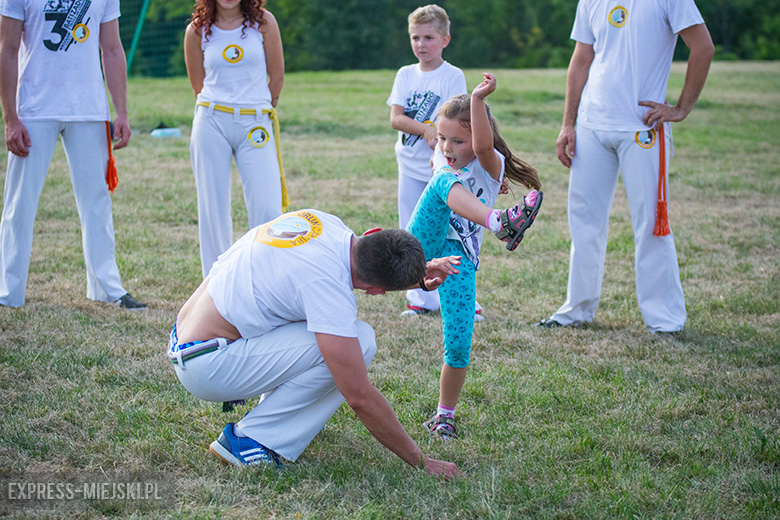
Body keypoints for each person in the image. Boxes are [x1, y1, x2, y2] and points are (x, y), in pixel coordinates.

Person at [168, 209, 464, 478]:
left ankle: (274, 417)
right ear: (375, 292)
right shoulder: (328, 289)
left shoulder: (324, 222)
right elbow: (359, 395)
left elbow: (311, 278)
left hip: (189, 335)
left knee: (328, 331)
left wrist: (417, 278)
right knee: (359, 343)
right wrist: (423, 461)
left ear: (372, 232)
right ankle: (251, 439)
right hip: (207, 365)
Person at [536, 0, 714, 333]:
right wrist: (568, 123)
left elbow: (703, 47)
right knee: (584, 222)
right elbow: (581, 59)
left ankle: (665, 322)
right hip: (591, 126)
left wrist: (681, 107)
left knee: (652, 225)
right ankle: (576, 312)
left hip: (643, 129)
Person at [406, 73, 543, 439]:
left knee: (460, 340)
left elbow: (483, 145)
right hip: (421, 242)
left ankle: (444, 415)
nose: (447, 147)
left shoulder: (489, 165)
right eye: (444, 138)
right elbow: (445, 166)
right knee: (440, 180)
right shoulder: (442, 160)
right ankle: (501, 222)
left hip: (458, 259)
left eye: (458, 140)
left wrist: (479, 100)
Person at [0, 0, 145, 309]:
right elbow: (7, 48)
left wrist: (121, 112)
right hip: (34, 111)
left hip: (89, 110)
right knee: (20, 204)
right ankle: (7, 292)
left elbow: (113, 49)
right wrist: (10, 118)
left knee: (97, 201)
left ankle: (107, 289)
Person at [184, 0, 288, 278]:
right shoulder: (197, 30)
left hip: (255, 122)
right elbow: (198, 84)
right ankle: (217, 282)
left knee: (268, 205)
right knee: (212, 207)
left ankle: (266, 278)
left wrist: (254, 109)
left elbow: (276, 77)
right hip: (211, 120)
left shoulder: (264, 22)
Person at [386, 4, 467, 318]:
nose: (421, 44)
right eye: (415, 38)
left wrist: (440, 137)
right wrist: (424, 129)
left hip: (441, 172)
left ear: (445, 40)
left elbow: (456, 119)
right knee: (412, 232)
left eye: (429, 38)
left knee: (448, 232)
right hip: (409, 166)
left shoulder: (453, 76)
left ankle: (459, 299)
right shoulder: (405, 74)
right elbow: (396, 118)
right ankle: (419, 299)